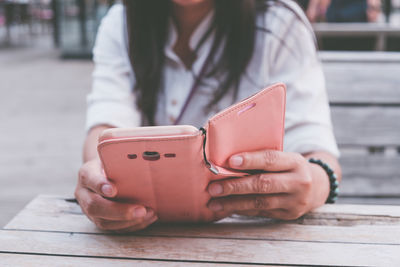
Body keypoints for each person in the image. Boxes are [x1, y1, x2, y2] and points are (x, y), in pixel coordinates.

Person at [75, 0, 342, 232]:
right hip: (146, 235)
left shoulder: (280, 24)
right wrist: (99, 180)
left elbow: (316, 151)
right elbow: (106, 123)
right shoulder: (121, 22)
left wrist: (315, 184)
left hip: (249, 237)